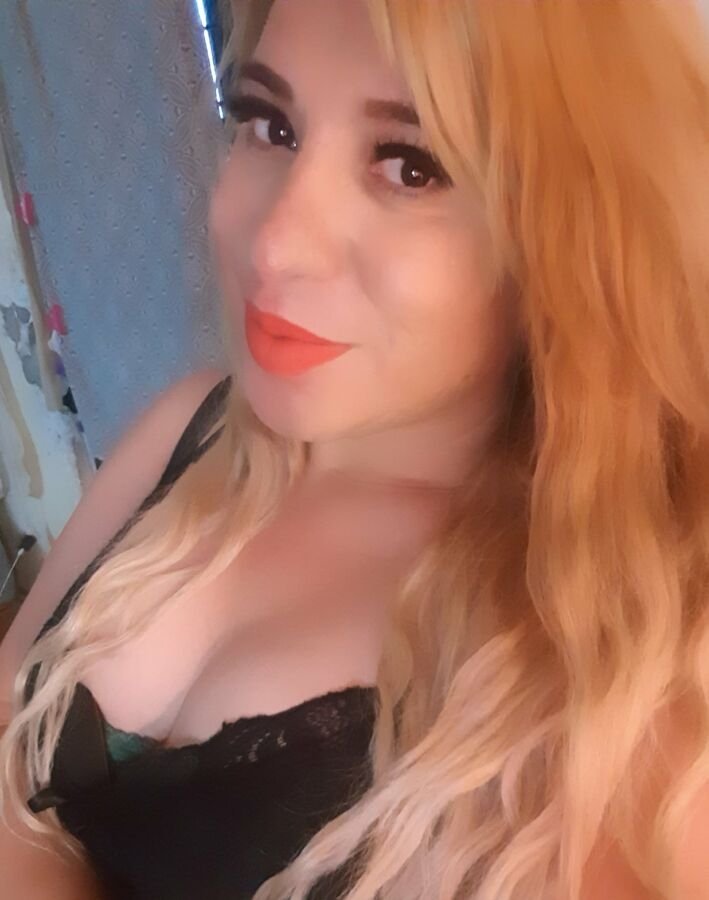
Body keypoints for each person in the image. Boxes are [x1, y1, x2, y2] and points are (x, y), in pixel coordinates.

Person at [2, 0, 709, 896]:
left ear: (571, 235)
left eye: (410, 165)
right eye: (271, 124)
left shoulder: (629, 671)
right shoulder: (187, 431)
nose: (276, 244)